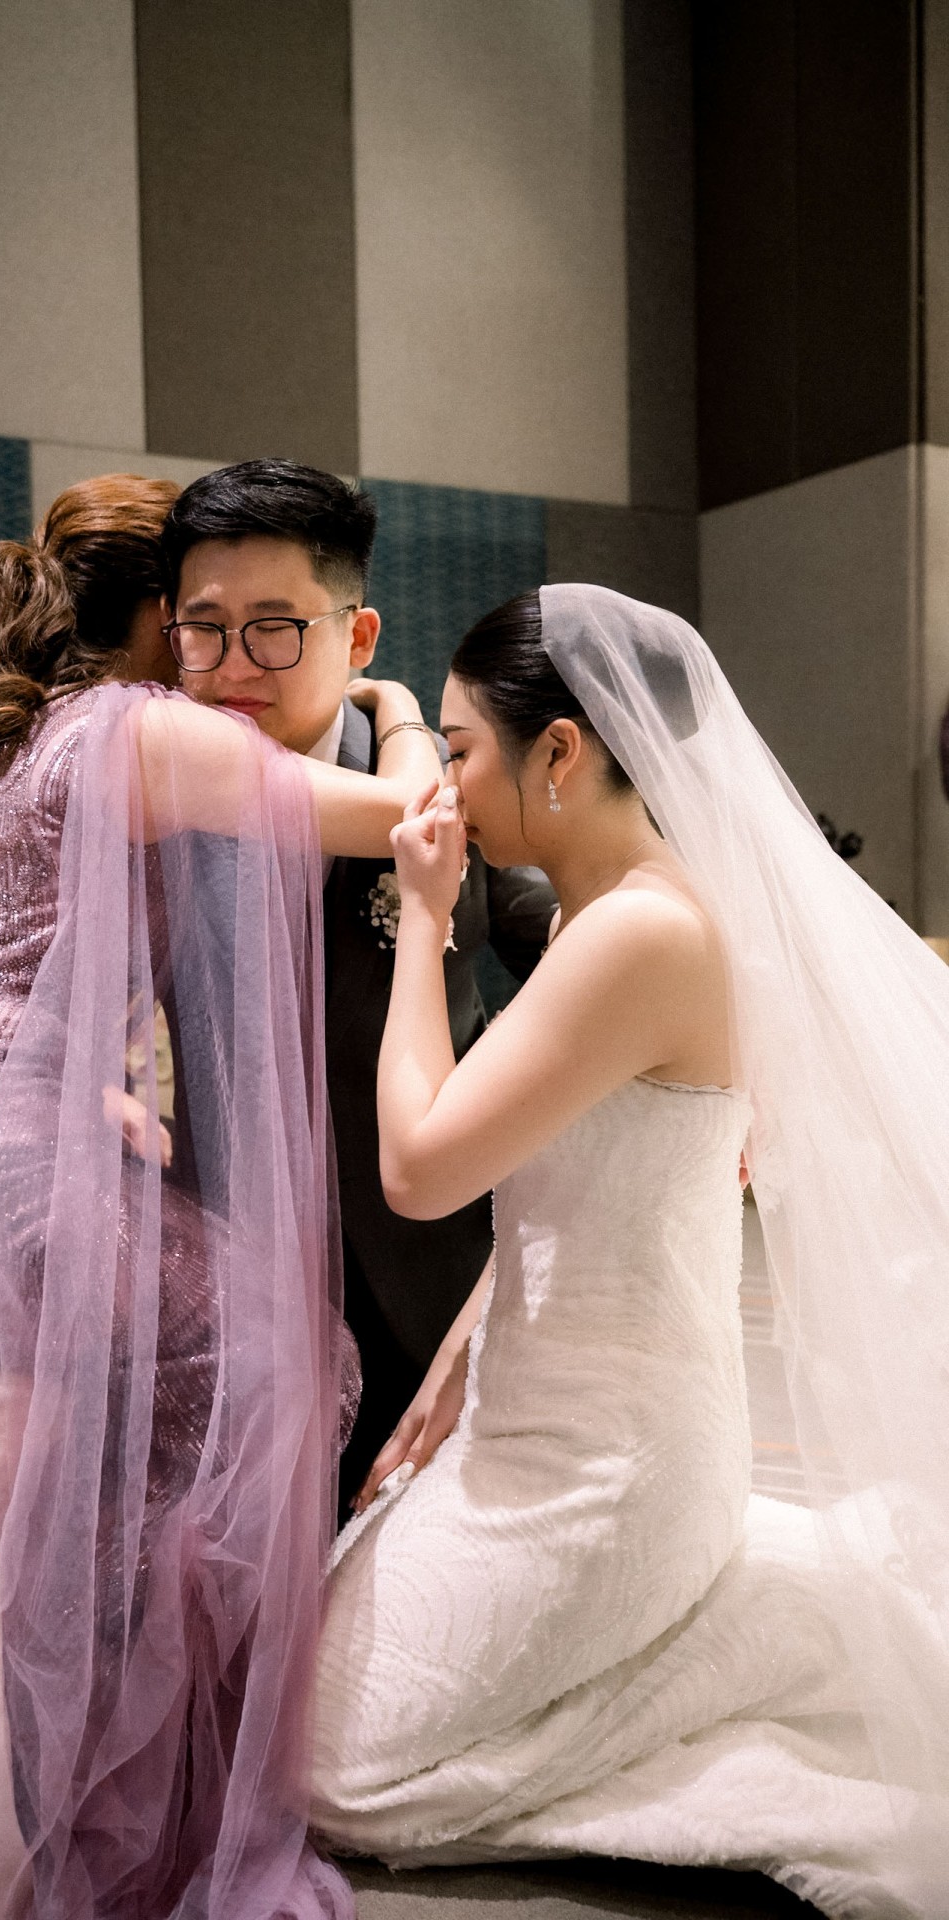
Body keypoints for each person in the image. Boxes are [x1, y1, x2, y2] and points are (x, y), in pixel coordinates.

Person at [0, 482, 440, 1916]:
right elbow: (405, 817)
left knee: (173, 1352)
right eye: (197, 626)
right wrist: (394, 707)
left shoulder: (1, 742)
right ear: (148, 625)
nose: (222, 661)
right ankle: (145, 1771)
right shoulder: (138, 728)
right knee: (283, 1356)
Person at [311, 586, 949, 1917]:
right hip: (541, 1414)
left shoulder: (645, 932)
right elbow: (569, 1177)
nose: (445, 784)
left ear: (560, 752)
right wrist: (458, 1365)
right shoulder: (602, 914)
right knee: (312, 1700)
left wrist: (422, 915)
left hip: (615, 1460)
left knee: (338, 1772)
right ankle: (724, 1637)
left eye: (462, 749)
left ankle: (732, 1698)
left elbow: (420, 1168)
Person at [158, 461, 554, 1509]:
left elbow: (571, 938)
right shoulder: (153, 795)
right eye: (205, 629)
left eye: (275, 628)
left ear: (359, 636)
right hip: (217, 1304)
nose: (235, 666)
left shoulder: (448, 786)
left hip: (428, 1286)